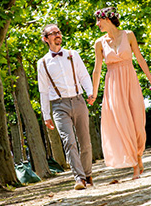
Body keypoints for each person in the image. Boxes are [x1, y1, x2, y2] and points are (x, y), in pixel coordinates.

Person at [91, 7, 151, 179]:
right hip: (112, 85)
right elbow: (97, 70)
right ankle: (135, 165)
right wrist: (94, 92)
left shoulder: (129, 35)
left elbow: (140, 59)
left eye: (99, 20)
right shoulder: (99, 43)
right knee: (124, 124)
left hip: (131, 81)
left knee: (138, 123)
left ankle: (139, 155)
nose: (97, 24)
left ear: (108, 19)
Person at [37, 24, 95, 190]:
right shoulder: (42, 63)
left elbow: (83, 75)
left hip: (78, 100)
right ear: (45, 39)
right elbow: (43, 91)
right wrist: (46, 114)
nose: (57, 35)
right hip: (58, 106)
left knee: (85, 142)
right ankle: (79, 179)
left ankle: (87, 173)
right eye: (53, 33)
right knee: (69, 142)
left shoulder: (72, 54)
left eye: (58, 32)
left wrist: (90, 93)